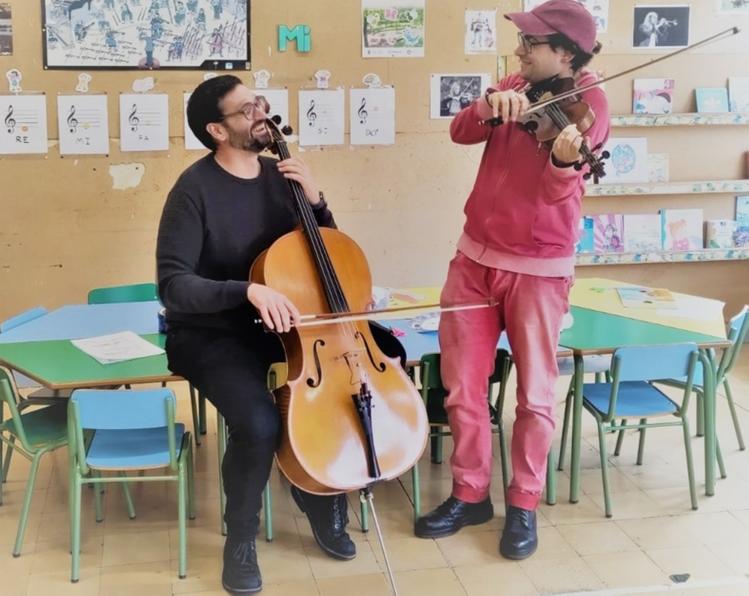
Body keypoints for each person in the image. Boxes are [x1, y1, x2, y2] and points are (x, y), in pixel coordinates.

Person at [414, 0, 610, 561]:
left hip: (539, 269)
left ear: (565, 53)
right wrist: (487, 108)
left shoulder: (590, 105)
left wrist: (562, 164)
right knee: (462, 390)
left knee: (535, 395)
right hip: (474, 260)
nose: (520, 51)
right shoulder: (514, 81)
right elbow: (459, 132)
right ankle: (470, 493)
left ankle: (523, 502)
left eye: (532, 43)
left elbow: (559, 196)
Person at [156, 75, 357, 594]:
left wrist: (317, 200)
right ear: (217, 130)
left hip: (285, 325)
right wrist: (244, 291)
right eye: (247, 110)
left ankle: (318, 494)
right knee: (259, 423)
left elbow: (323, 251)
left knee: (334, 395)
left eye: (262, 103)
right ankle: (240, 539)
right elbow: (174, 286)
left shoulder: (281, 176)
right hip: (210, 332)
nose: (262, 114)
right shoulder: (193, 191)